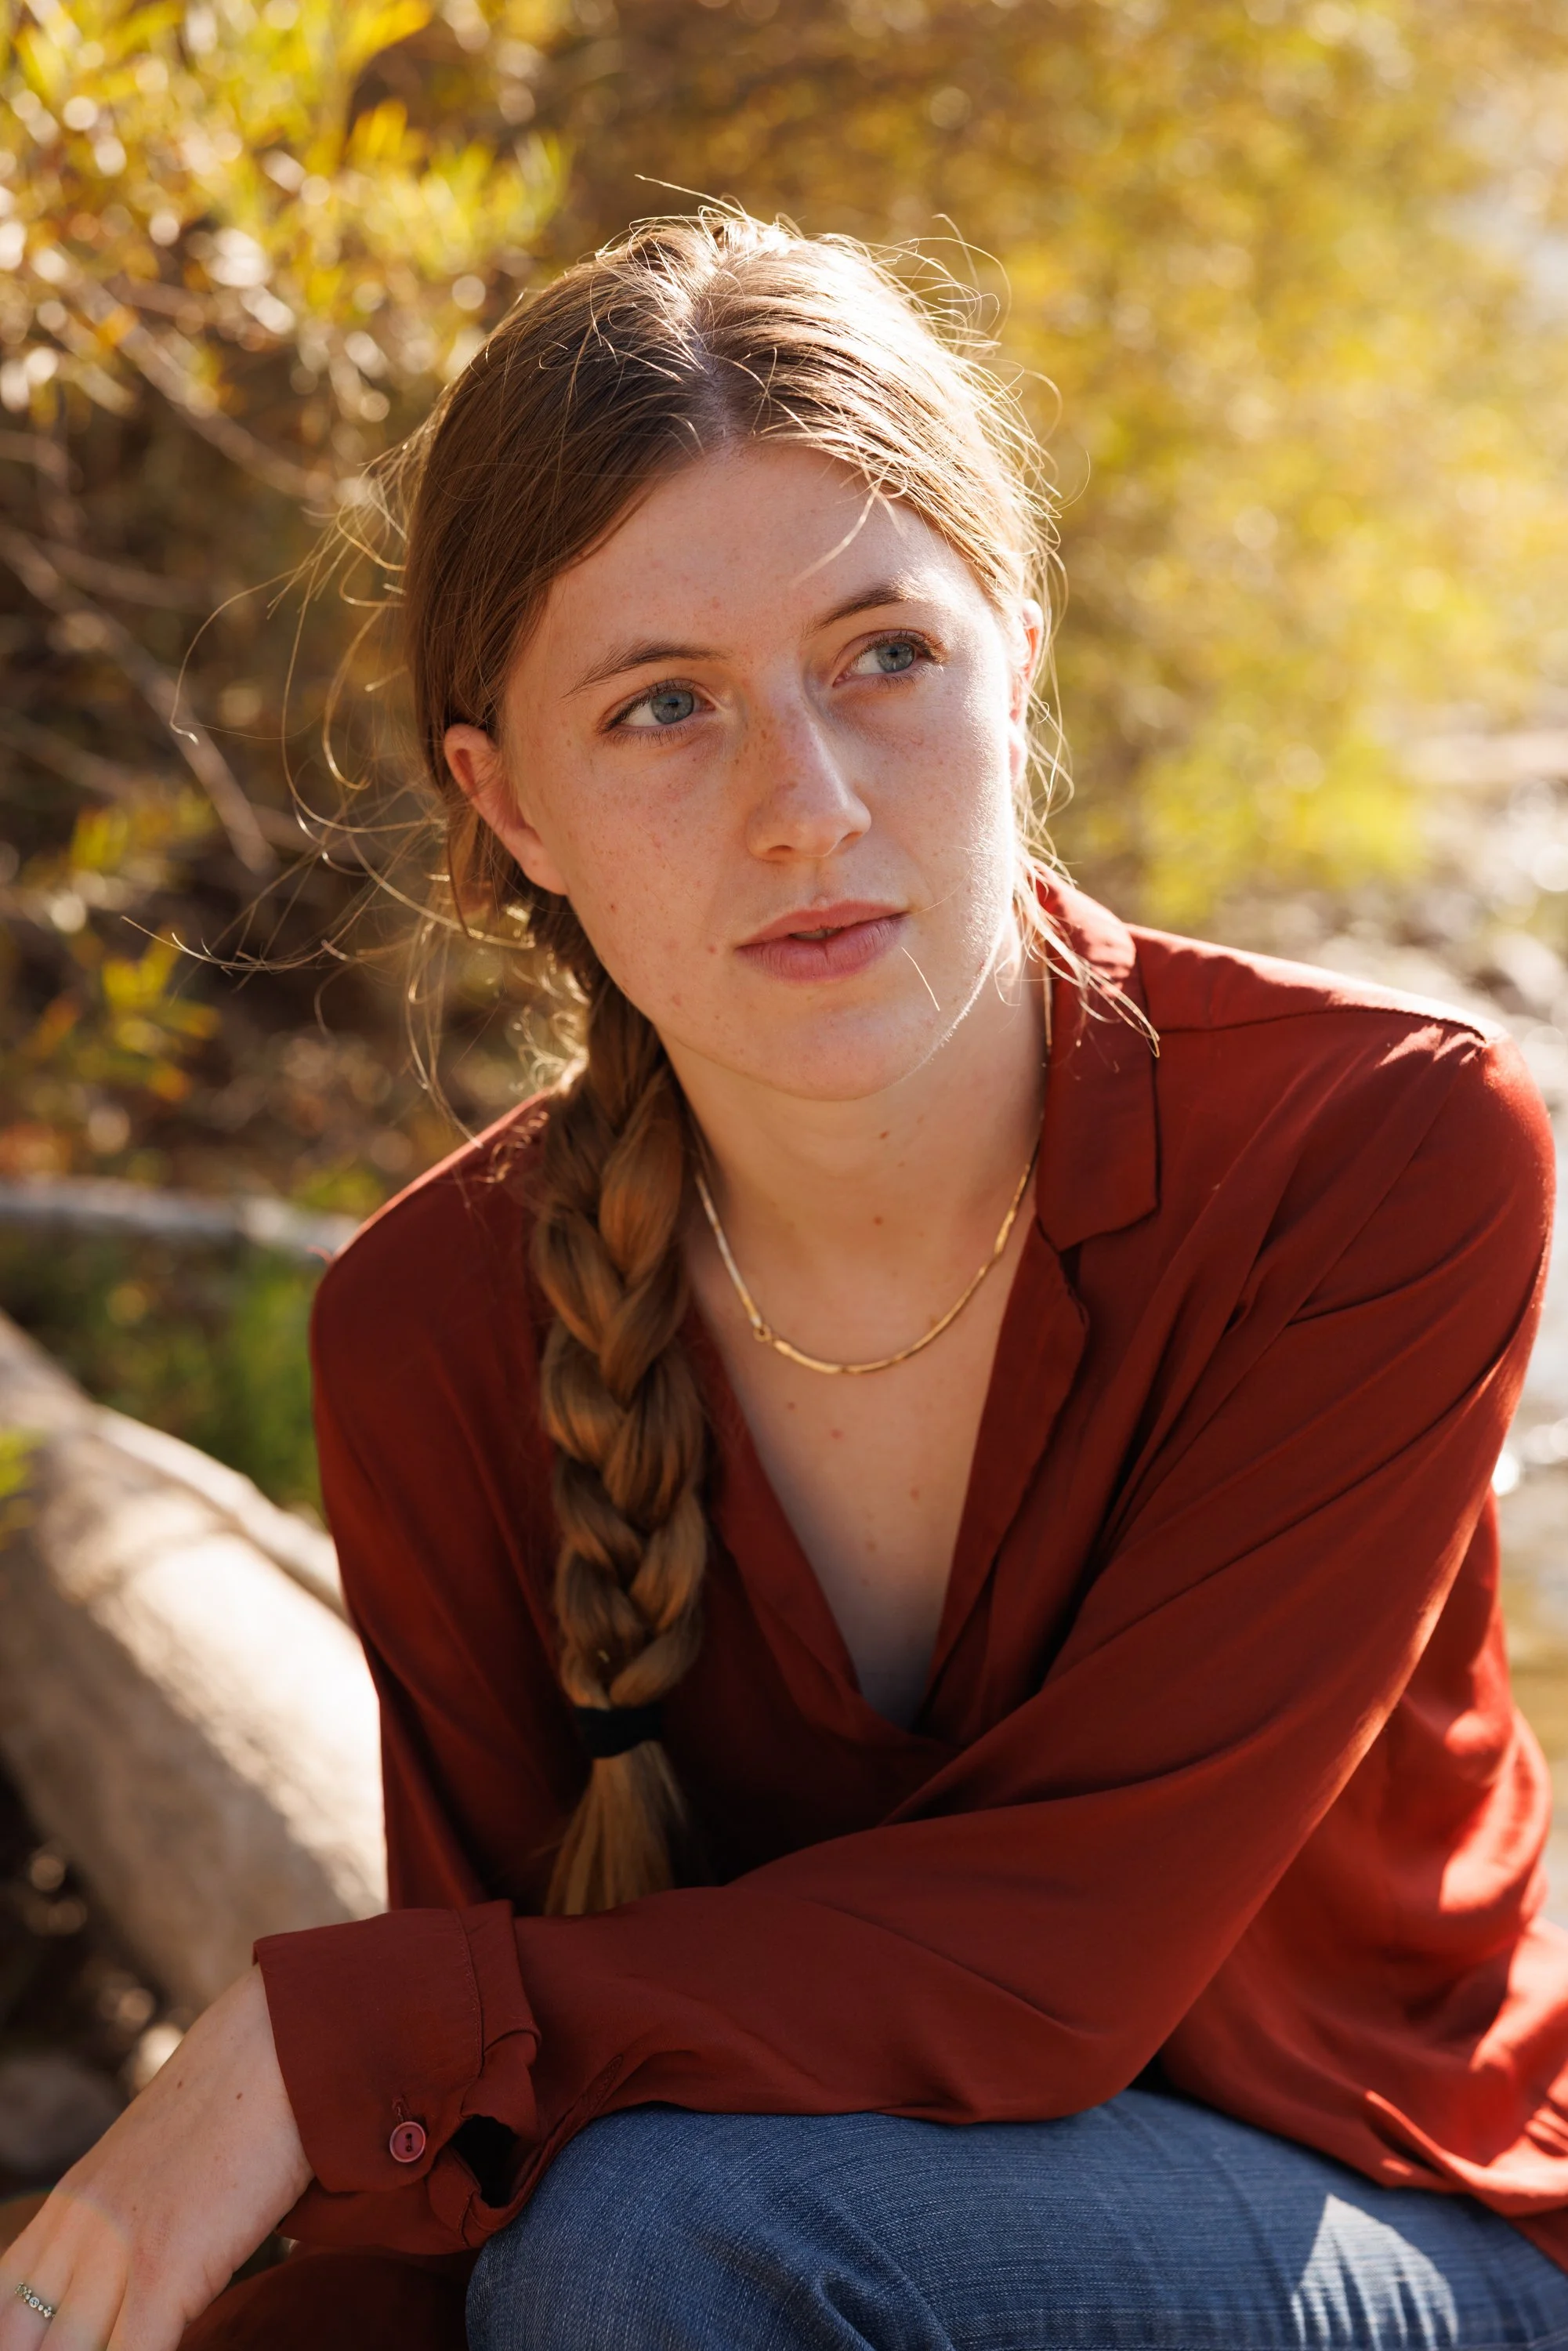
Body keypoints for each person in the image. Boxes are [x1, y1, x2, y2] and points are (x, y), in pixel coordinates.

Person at [4, 209, 1568, 2351]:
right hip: (746, 2248)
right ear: (505, 803)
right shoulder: (435, 1332)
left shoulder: (1380, 1158)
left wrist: (311, 2041)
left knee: (671, 2234)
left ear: (1019, 643)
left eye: (882, 655)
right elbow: (499, 2149)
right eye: (663, 707)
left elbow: (1063, 1957)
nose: (805, 808)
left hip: (1397, 2228)